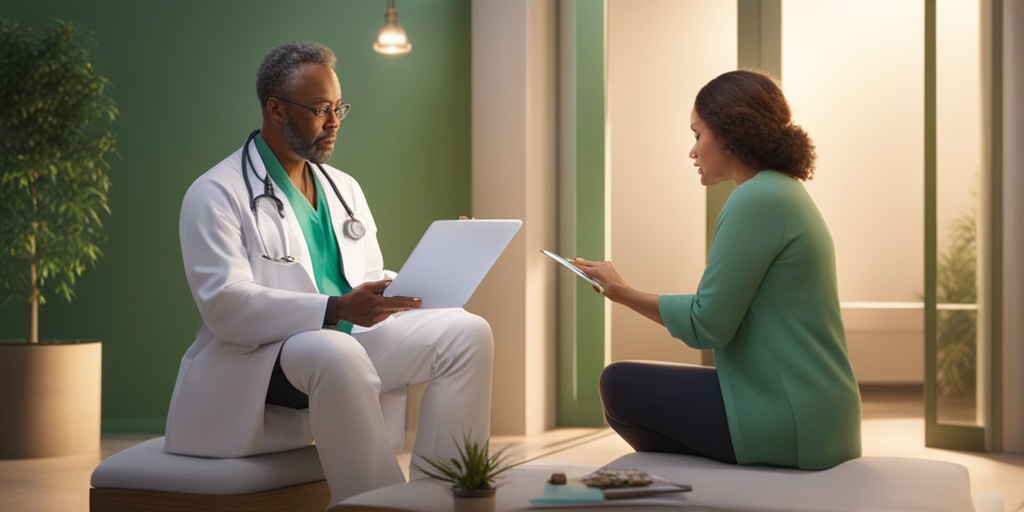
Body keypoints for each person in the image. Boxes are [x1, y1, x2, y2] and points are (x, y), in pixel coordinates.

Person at [164, 41, 494, 506]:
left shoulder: (344, 188)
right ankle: (378, 504)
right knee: (335, 350)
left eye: (339, 108)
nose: (334, 122)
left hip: (348, 342)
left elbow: (367, 273)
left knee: (466, 332)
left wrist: (426, 275)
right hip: (261, 359)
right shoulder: (216, 192)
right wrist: (335, 308)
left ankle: (442, 495)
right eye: (321, 109)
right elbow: (225, 307)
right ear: (276, 109)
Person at [573, 70, 861, 470]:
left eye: (697, 134)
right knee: (638, 397)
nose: (693, 151)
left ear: (729, 132)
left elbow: (706, 325)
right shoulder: (784, 191)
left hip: (791, 415)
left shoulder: (755, 199)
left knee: (618, 384)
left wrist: (620, 292)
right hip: (820, 415)